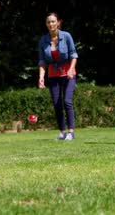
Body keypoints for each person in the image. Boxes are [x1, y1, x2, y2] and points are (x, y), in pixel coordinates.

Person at [38, 13, 78, 141]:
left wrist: (71, 69)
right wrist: (41, 78)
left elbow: (73, 55)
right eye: (48, 22)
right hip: (53, 74)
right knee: (57, 104)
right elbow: (42, 61)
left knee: (67, 101)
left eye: (53, 21)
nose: (51, 24)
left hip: (68, 74)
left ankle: (71, 132)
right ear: (46, 24)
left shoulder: (66, 36)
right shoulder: (43, 40)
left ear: (58, 23)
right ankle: (62, 132)